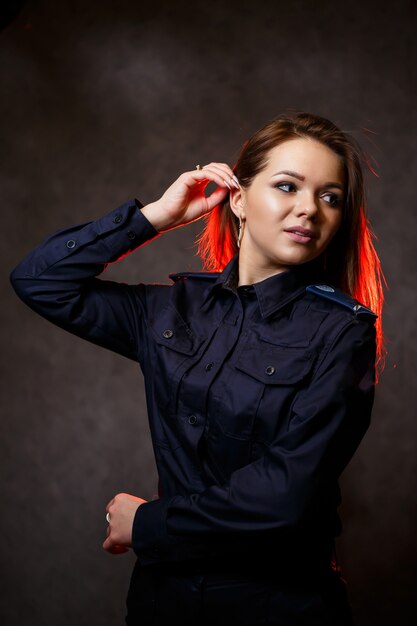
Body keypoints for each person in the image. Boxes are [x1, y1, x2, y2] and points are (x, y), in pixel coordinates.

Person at [10, 112, 384, 625]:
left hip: (280, 606)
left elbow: (286, 494)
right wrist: (154, 218)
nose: (308, 210)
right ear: (238, 199)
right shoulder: (170, 310)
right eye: (286, 186)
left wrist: (147, 525)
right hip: (164, 603)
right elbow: (39, 281)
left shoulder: (343, 333)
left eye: (329, 196)